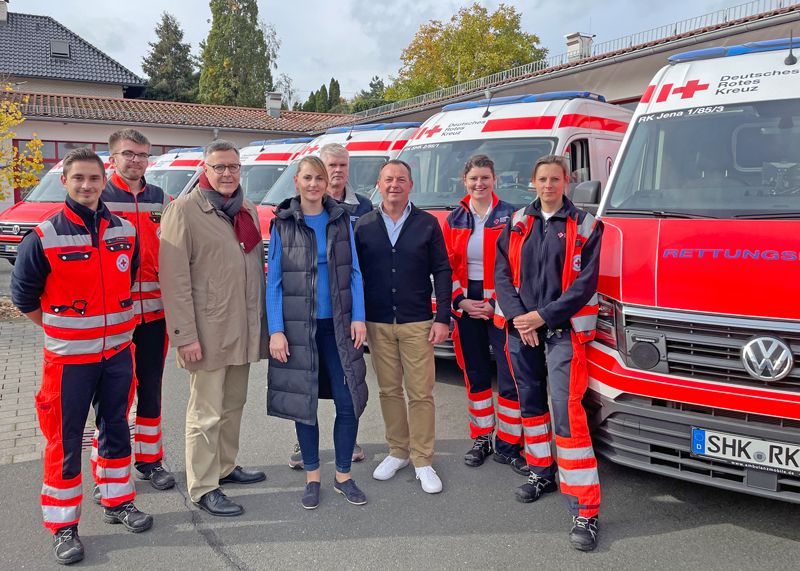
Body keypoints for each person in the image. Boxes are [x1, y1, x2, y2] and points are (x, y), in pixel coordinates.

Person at [11, 148, 153, 565]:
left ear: (104, 180)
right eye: (78, 179)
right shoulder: (44, 236)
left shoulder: (124, 230)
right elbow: (23, 298)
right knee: (65, 440)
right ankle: (63, 526)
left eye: (94, 179)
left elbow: (129, 278)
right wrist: (64, 332)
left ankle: (117, 501)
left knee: (115, 429)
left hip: (116, 356)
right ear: (66, 182)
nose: (87, 186)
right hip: (69, 362)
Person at [494, 155, 604, 551]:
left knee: (567, 412)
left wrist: (542, 317)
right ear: (532, 182)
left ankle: (585, 509)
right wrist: (522, 318)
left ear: (567, 181)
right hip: (522, 329)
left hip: (562, 332)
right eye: (542, 179)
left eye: (555, 179)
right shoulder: (517, 221)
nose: (548, 185)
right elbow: (501, 274)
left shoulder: (587, 226)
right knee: (531, 403)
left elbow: (585, 285)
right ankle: (541, 470)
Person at [159, 140, 268, 517]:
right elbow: (173, 281)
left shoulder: (247, 209)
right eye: (219, 167)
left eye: (233, 167)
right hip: (206, 334)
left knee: (233, 405)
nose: (226, 173)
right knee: (205, 412)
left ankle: (225, 466)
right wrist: (184, 336)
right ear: (205, 169)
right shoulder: (184, 211)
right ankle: (204, 486)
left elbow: (253, 271)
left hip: (242, 330)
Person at [267, 156, 369, 509]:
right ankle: (313, 476)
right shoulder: (282, 224)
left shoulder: (340, 220)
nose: (313, 184)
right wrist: (276, 330)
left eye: (319, 179)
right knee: (304, 404)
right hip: (298, 328)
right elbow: (274, 283)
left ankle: (343, 476)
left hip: (337, 326)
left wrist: (359, 317)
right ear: (296, 181)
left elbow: (354, 271)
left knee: (347, 401)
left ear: (328, 183)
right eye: (307, 178)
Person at [354, 160, 451, 494]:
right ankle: (397, 451)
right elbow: (355, 276)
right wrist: (357, 318)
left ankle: (423, 459)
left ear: (411, 185)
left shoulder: (427, 224)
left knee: (421, 393)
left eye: (401, 180)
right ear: (378, 185)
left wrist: (443, 318)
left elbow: (442, 270)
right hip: (378, 322)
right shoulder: (364, 225)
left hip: (418, 322)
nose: (394, 185)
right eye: (388, 179)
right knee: (389, 390)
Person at [88, 129, 174, 503]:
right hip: (113, 320)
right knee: (112, 399)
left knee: (151, 389)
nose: (136, 160)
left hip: (155, 316)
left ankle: (150, 460)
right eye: (128, 154)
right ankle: (106, 470)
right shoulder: (98, 197)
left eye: (142, 154)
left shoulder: (162, 199)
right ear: (113, 158)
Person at [287, 143, 372, 470]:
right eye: (330, 166)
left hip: (346, 308)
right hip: (308, 314)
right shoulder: (297, 210)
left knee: (346, 379)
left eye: (342, 166)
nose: (336, 172)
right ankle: (303, 440)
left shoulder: (362, 207)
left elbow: (358, 265)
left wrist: (360, 313)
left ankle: (348, 439)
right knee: (309, 379)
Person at [442, 155, 523, 469]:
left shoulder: (511, 216)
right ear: (465, 181)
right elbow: (445, 267)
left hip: (500, 308)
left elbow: (517, 268)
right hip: (467, 307)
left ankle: (509, 443)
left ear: (495, 180)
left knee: (509, 375)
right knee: (474, 375)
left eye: (485, 178)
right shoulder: (454, 219)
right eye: (474, 178)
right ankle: (481, 437)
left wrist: (496, 305)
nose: (479, 184)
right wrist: (460, 302)